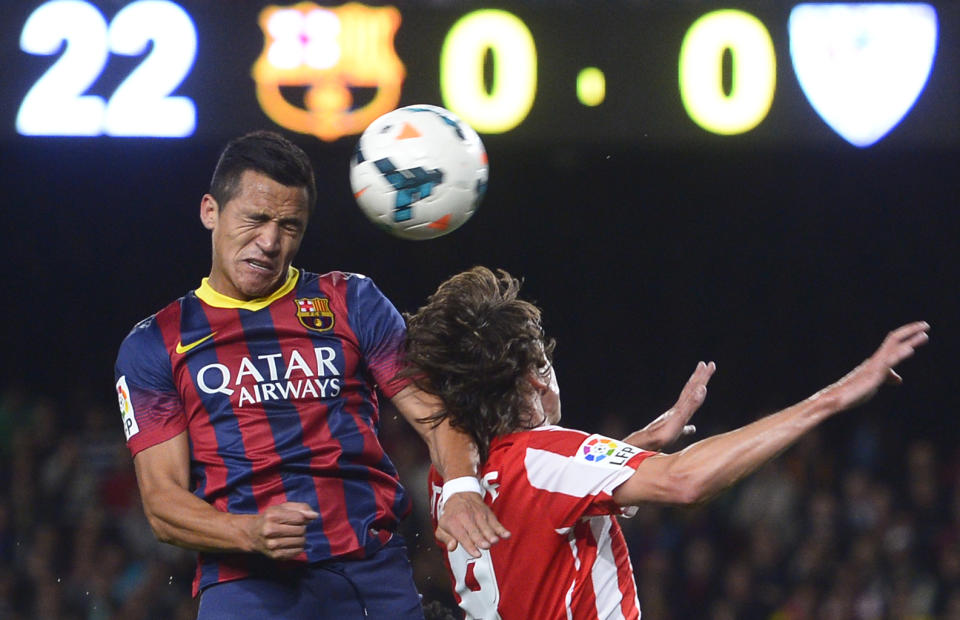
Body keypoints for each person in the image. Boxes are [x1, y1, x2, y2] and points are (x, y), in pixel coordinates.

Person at [113, 131, 506, 619]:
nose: (271, 241)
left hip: (370, 572)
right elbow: (162, 504)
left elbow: (434, 416)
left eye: (289, 226)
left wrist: (462, 490)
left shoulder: (351, 301)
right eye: (255, 219)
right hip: (247, 584)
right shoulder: (155, 343)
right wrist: (248, 532)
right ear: (210, 211)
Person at [400, 266, 930, 620]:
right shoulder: (547, 456)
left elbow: (537, 525)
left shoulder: (452, 478)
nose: (550, 375)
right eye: (542, 363)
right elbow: (684, 481)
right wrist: (835, 396)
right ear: (531, 384)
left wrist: (631, 447)